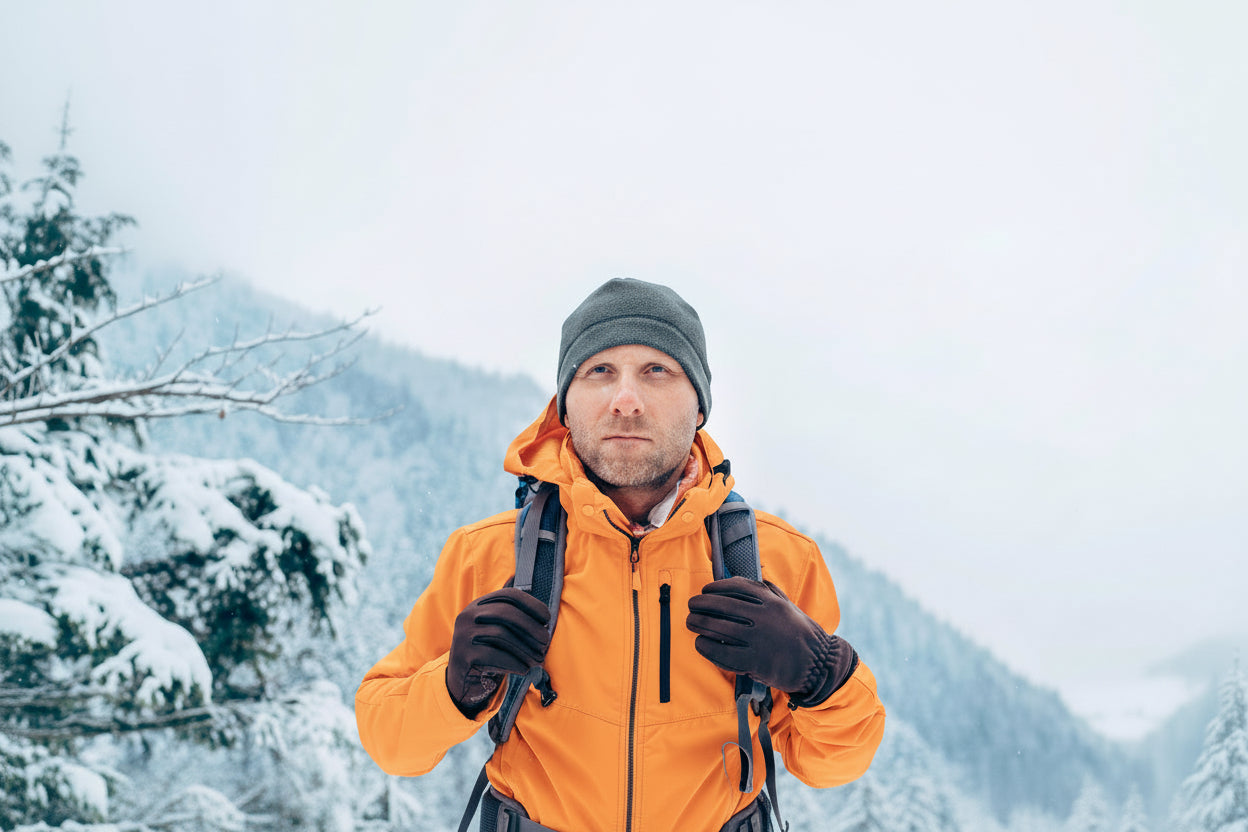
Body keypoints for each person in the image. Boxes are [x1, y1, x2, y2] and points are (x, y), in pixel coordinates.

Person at [356, 278, 886, 832]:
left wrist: (821, 673)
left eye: (658, 371)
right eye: (599, 371)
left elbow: (834, 764)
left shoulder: (775, 559)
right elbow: (390, 744)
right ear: (565, 404)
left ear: (699, 405)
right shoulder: (488, 556)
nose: (625, 400)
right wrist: (452, 685)